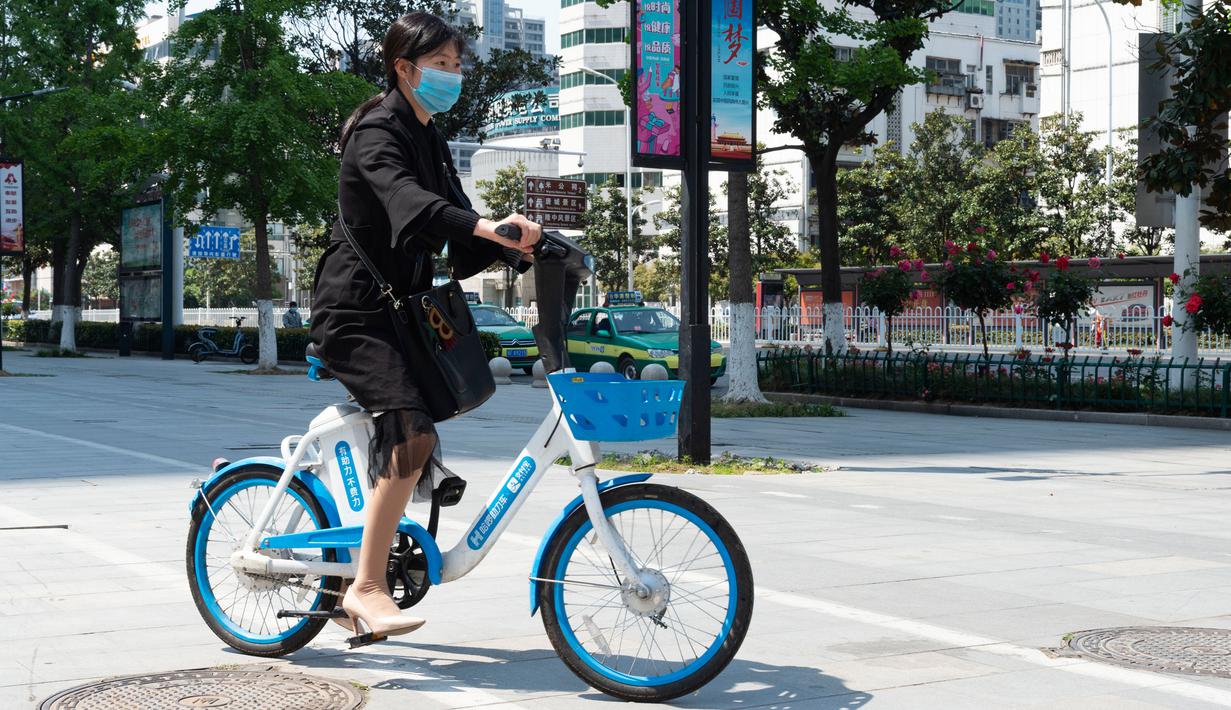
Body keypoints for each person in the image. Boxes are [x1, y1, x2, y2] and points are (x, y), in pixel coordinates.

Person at [308, 12, 540, 640]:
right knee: (409, 430)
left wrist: (517, 244)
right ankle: (367, 586)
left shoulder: (429, 136)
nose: (454, 76)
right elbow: (410, 204)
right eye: (442, 65)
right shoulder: (377, 131)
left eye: (458, 65)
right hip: (354, 309)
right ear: (405, 69)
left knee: (429, 416)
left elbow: (455, 222)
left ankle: (380, 517)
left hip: (401, 307)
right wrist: (482, 228)